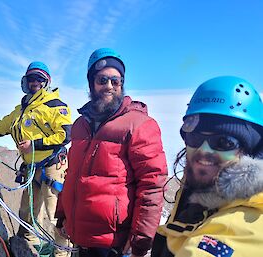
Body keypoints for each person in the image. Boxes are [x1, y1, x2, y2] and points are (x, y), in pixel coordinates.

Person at [55, 48, 168, 257]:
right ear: (91, 83)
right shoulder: (81, 125)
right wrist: (62, 216)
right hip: (80, 237)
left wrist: (141, 238)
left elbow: (152, 183)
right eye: (102, 80)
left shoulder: (139, 124)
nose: (109, 86)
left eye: (115, 81)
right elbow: (72, 174)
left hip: (115, 243)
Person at [151, 76, 263, 257]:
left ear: (250, 152)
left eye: (224, 142)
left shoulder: (240, 228)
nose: (203, 150)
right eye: (195, 137)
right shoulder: (197, 195)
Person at [0, 61, 72, 257]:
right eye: (31, 78)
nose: (34, 82)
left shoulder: (54, 105)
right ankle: (26, 247)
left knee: (55, 215)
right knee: (28, 210)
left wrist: (35, 144)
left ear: (46, 82)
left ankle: (62, 254)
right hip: (31, 167)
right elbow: (5, 124)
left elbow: (66, 134)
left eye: (39, 79)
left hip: (52, 166)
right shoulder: (23, 107)